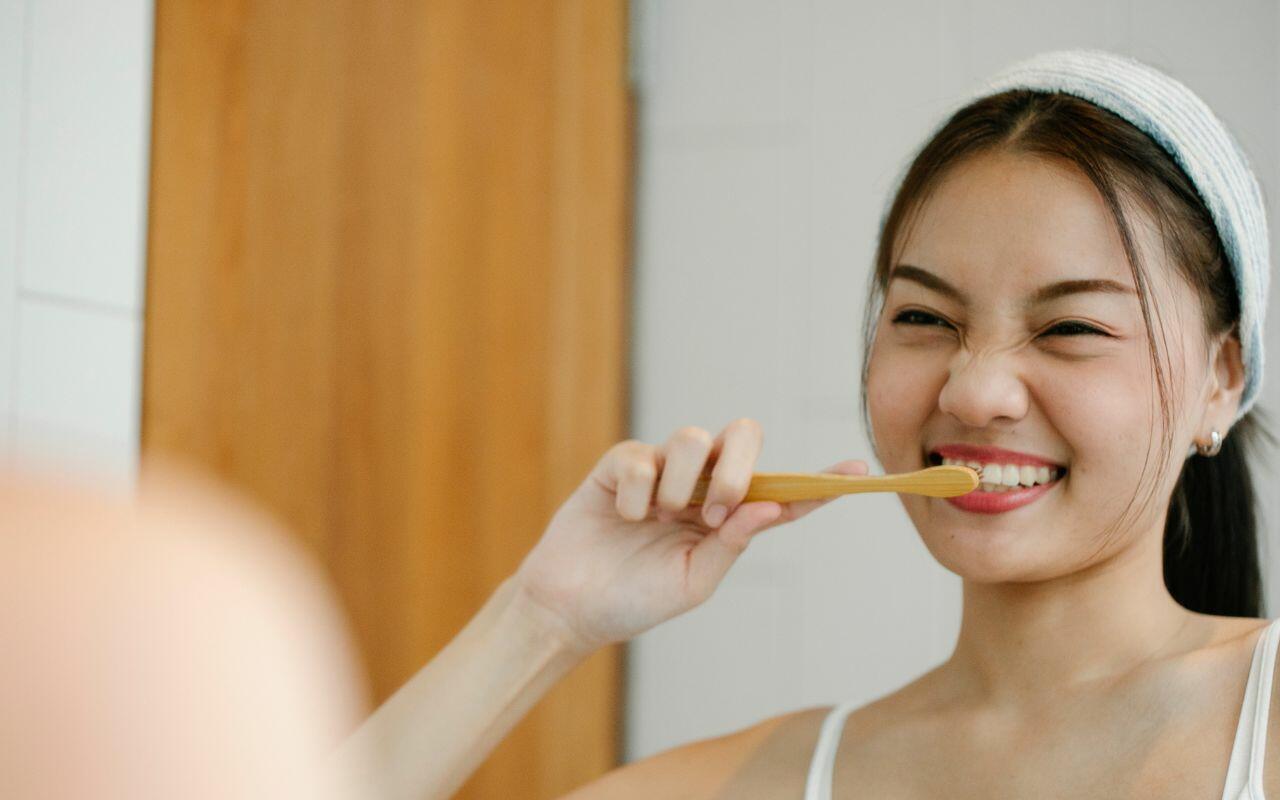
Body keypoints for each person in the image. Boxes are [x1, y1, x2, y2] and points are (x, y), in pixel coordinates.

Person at [346, 48, 1280, 799]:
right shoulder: (770, 780)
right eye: (924, 317)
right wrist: (541, 620)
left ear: (1221, 379)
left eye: (1071, 327)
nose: (974, 390)